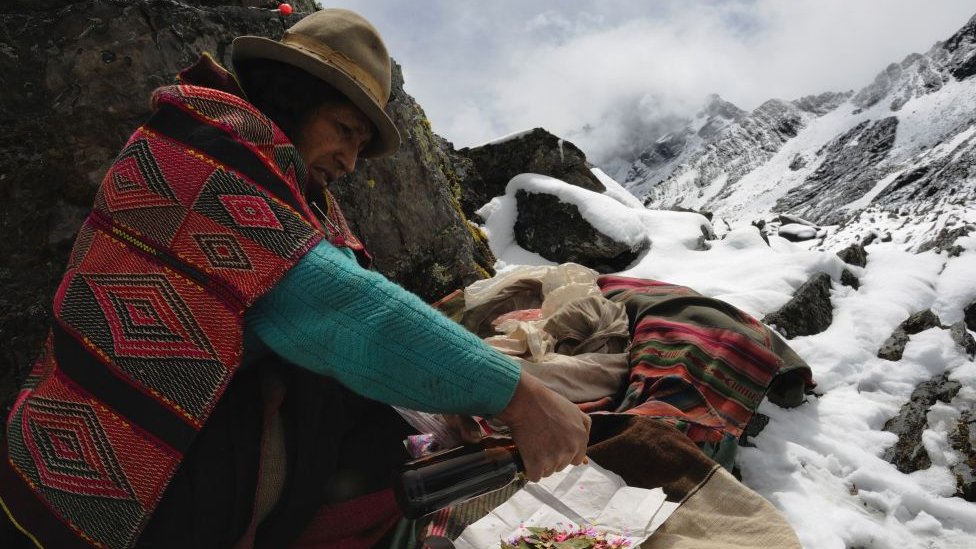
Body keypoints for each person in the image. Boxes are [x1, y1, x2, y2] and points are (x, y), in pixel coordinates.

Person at [0, 9, 590, 549]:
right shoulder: (197, 162)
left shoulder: (271, 179)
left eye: (360, 144)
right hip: (102, 481)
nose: (349, 163)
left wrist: (443, 397)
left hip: (139, 447)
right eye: (343, 129)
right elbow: (336, 306)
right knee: (347, 423)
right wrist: (516, 394)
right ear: (295, 97)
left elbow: (354, 296)